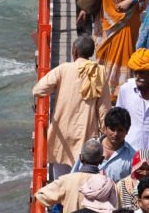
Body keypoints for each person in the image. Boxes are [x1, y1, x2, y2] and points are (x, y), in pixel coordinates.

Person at [32, 35, 110, 176]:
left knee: (61, 181)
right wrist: (106, 136)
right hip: (86, 133)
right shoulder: (100, 72)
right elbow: (104, 108)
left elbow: (38, 90)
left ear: (74, 51)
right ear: (91, 53)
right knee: (83, 181)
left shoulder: (64, 69)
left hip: (63, 132)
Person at [93, 0, 149, 93]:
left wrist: (132, 1)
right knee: (102, 55)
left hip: (127, 23)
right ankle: (102, 88)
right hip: (105, 23)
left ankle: (120, 91)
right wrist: (85, 10)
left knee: (124, 57)